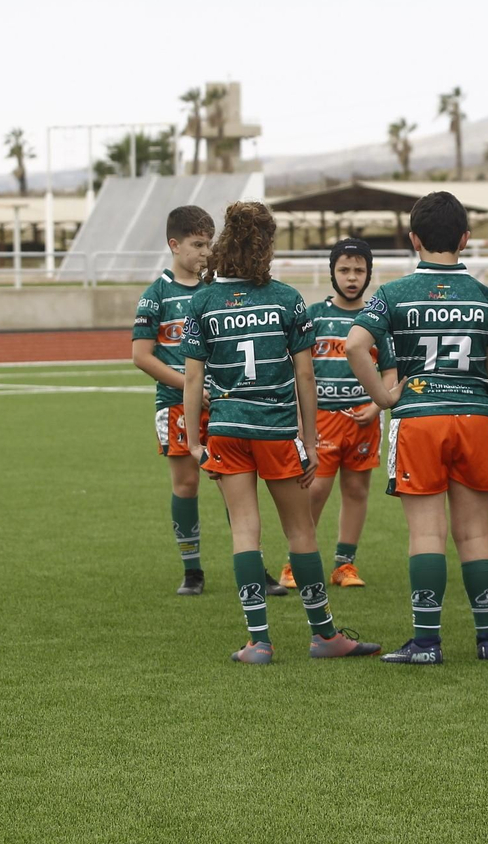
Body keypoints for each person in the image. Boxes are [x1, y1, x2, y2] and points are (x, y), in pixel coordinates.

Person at [181, 202, 379, 664]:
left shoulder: (203, 301)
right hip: (274, 428)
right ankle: (325, 636)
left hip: (227, 429)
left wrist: (194, 440)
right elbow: (305, 378)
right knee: (300, 531)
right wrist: (310, 443)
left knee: (245, 531)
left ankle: (259, 641)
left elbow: (193, 379)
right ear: (266, 246)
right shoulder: (287, 299)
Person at [349, 191, 488, 664]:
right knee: (476, 532)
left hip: (420, 417)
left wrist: (383, 399)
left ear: (413, 240)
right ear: (465, 239)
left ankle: (427, 643)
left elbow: (354, 346)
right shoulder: (486, 298)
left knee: (426, 533)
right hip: (475, 417)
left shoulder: (392, 293)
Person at [276, 237, 397, 590]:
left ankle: (345, 565)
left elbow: (390, 371)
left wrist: (377, 404)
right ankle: (295, 562)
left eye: (359, 270)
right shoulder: (313, 316)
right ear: (332, 272)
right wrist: (301, 419)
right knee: (315, 491)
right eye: (344, 269)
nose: (351, 276)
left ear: (369, 274)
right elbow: (298, 369)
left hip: (363, 421)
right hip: (323, 418)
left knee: (357, 490)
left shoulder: (376, 319)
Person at [132, 205, 217, 596]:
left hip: (223, 404)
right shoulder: (156, 295)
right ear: (174, 244)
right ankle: (192, 570)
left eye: (209, 244)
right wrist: (189, 386)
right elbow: (141, 356)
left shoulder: (216, 292)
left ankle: (254, 564)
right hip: (177, 403)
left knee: (237, 482)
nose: (205, 252)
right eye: (197, 244)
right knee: (186, 484)